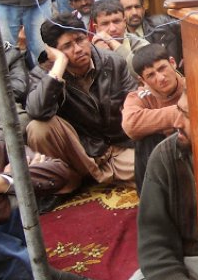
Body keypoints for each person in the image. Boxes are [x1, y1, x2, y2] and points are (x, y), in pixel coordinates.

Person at [103, 92, 198, 280]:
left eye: (186, 115)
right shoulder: (166, 155)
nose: (176, 122)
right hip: (187, 261)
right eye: (178, 110)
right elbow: (154, 236)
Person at [26, 14, 138, 186]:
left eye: (80, 40)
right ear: (53, 51)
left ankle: (95, 177)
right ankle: (70, 180)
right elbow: (36, 111)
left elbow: (135, 104)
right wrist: (59, 66)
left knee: (156, 169)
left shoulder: (113, 62)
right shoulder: (44, 74)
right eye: (67, 46)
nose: (78, 49)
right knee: (38, 127)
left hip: (116, 148)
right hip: (79, 156)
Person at [122, 44, 186, 193]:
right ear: (142, 80)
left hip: (192, 157)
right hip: (162, 164)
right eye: (151, 75)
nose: (160, 78)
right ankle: (153, 199)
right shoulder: (140, 96)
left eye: (162, 68)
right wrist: (181, 113)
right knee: (146, 139)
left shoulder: (192, 85)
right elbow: (130, 125)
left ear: (172, 62)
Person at [114, 0, 183, 67]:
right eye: (128, 8)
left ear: (143, 8)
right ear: (119, 12)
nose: (134, 12)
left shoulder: (162, 24)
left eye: (137, 7)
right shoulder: (116, 35)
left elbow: (191, 30)